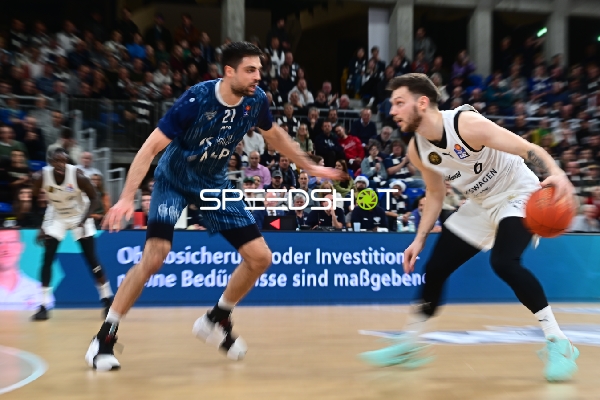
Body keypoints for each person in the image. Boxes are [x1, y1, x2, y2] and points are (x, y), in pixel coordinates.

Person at [86, 42, 342, 371]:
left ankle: (217, 318)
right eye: (250, 70)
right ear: (229, 71)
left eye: (259, 70)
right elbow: (150, 148)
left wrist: (310, 166)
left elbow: (275, 135)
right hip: (174, 181)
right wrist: (126, 197)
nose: (258, 76)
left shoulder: (256, 100)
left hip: (213, 184)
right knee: (155, 255)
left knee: (260, 257)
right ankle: (104, 337)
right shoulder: (196, 99)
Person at [360, 73, 579, 382]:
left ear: (422, 103)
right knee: (435, 268)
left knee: (504, 262)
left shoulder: (466, 125)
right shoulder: (418, 150)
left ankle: (558, 342)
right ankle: (409, 343)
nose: (392, 110)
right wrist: (419, 240)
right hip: (480, 203)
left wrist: (556, 172)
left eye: (399, 102)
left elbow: (527, 148)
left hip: (517, 192)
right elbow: (435, 193)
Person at [31, 147, 114, 321]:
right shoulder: (41, 177)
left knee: (91, 259)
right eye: (57, 161)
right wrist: (41, 225)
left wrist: (84, 219)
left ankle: (107, 299)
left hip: (79, 215)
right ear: (50, 162)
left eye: (64, 161)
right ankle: (44, 305)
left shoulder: (77, 176)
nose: (60, 164)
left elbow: (95, 198)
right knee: (47, 259)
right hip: (57, 215)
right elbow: (34, 199)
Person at [0, 228, 51, 310]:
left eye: (12, 242)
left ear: (21, 247)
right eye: (0, 242)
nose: (6, 249)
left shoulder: (38, 292)